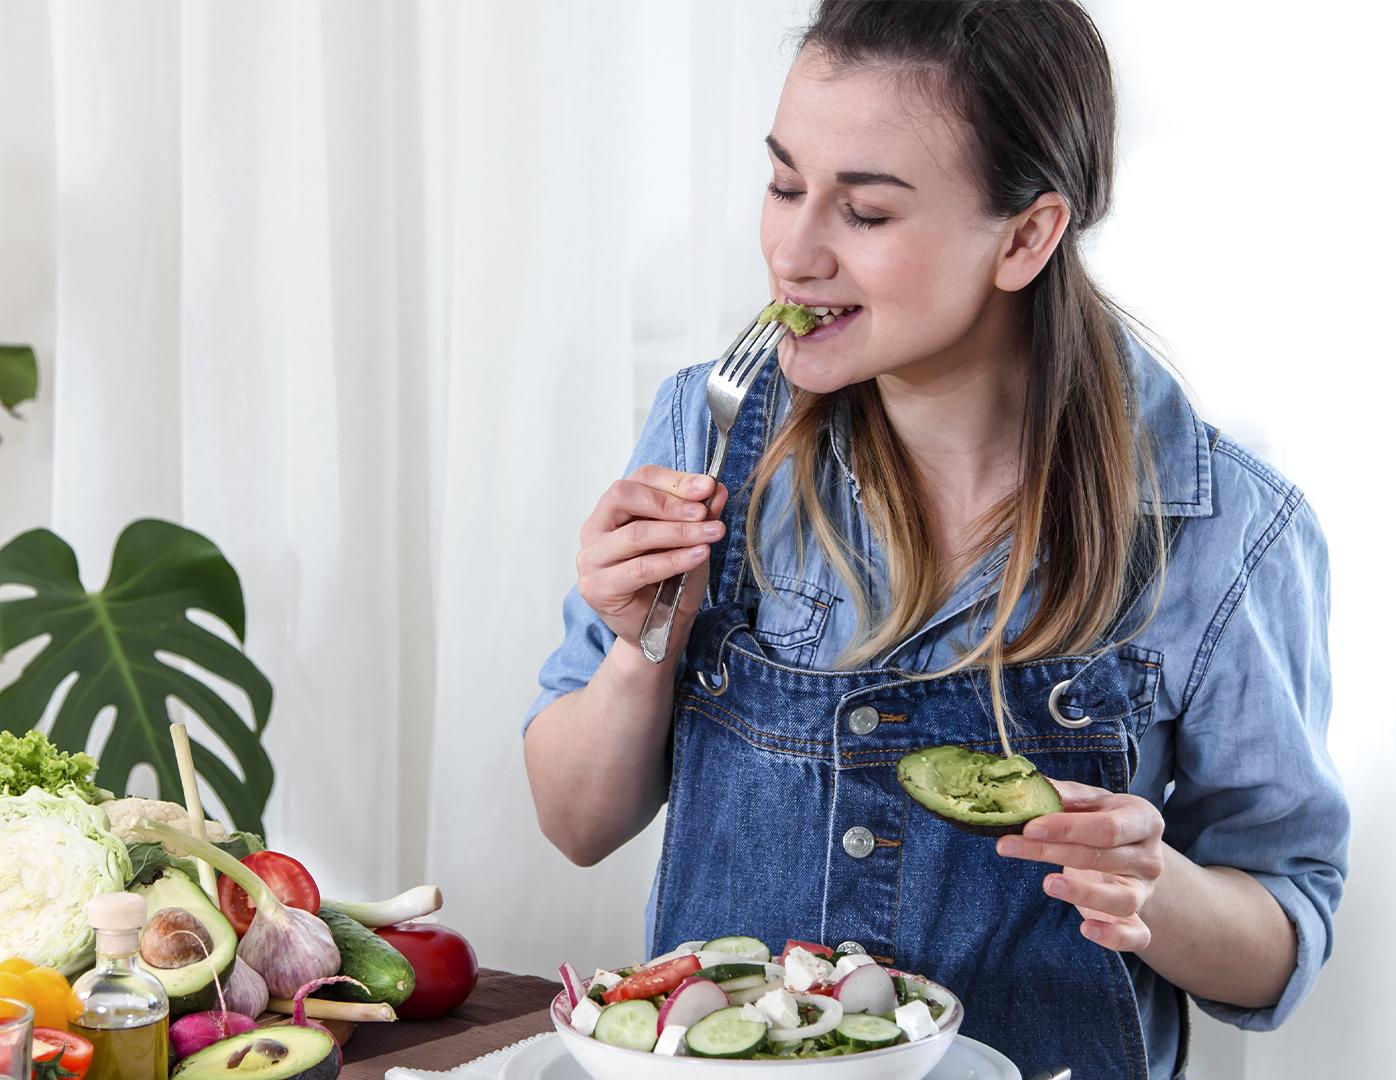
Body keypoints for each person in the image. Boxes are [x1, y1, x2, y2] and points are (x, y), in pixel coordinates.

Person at [521, 2, 1349, 1076]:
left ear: (1025, 236)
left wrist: (1163, 892)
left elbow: (1281, 943)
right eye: (783, 185)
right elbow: (576, 821)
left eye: (864, 212)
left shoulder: (1226, 527)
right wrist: (644, 640)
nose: (793, 250)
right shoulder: (709, 432)